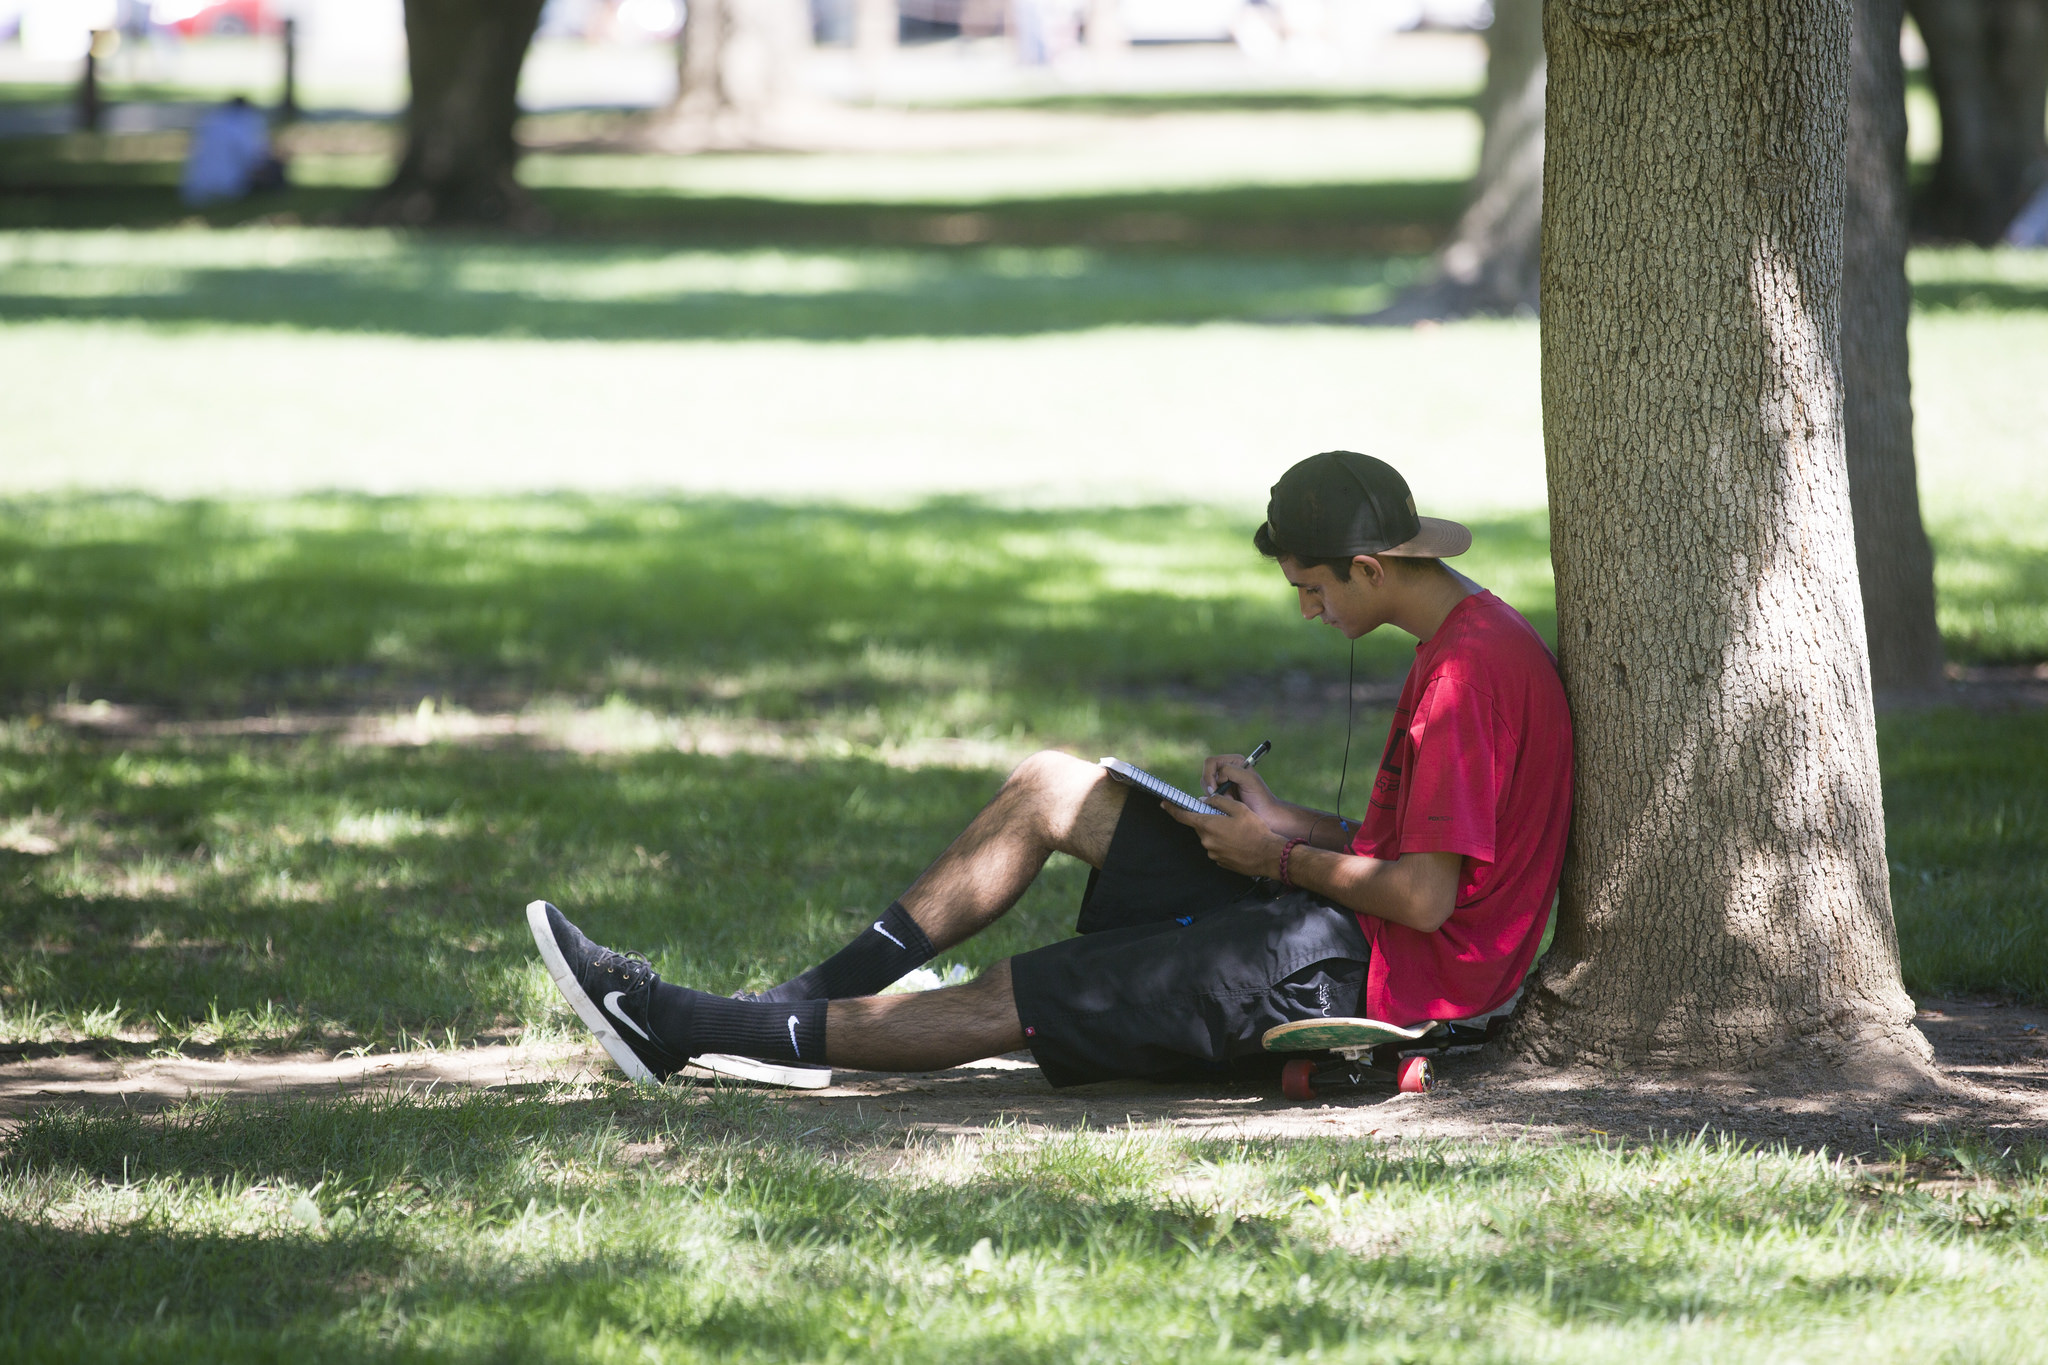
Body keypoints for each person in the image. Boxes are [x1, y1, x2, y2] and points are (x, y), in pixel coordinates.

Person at [527, 451, 1573, 1087]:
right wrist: (1283, 818)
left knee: (1017, 996)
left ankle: (677, 1026)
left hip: (1381, 970)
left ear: (1369, 569)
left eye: (1311, 589)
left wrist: (1273, 858)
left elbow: (1428, 902)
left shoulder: (1463, 679)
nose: (1307, 610)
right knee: (1048, 786)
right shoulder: (1466, 636)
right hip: (1352, 916)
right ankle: (792, 1010)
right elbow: (1422, 850)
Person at [180, 96, 285, 207]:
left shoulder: (209, 121)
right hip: (230, 187)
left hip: (196, 189)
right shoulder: (247, 122)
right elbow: (254, 157)